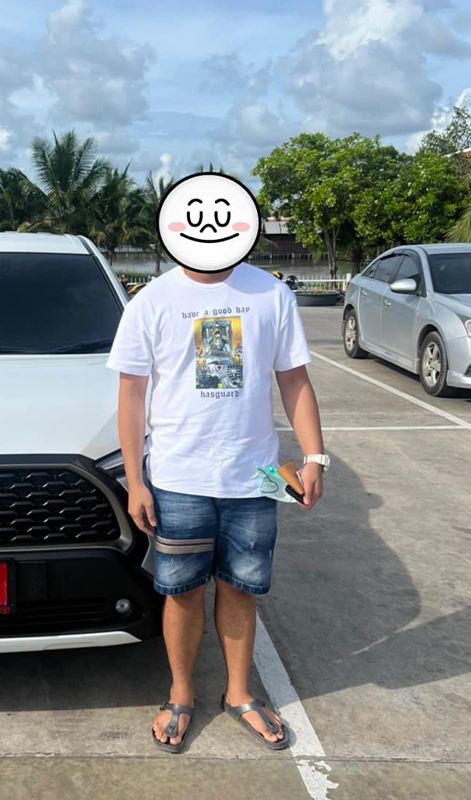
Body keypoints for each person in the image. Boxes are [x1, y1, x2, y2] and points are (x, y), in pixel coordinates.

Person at [106, 259, 326, 753]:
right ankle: (181, 693)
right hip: (178, 478)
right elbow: (131, 395)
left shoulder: (271, 294)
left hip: (255, 478)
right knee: (181, 591)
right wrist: (136, 482)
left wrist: (315, 456)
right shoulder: (152, 300)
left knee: (240, 588)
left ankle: (239, 693)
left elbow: (294, 379)